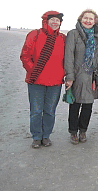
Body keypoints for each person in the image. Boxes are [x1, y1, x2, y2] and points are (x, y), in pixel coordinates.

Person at [20, 11, 65, 148]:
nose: (55, 22)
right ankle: (36, 136)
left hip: (55, 82)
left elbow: (68, 58)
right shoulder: (35, 34)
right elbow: (25, 56)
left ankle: (46, 136)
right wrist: (34, 71)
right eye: (52, 20)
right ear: (46, 21)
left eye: (58, 20)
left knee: (50, 111)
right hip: (36, 81)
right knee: (36, 111)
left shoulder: (63, 38)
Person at [64, 9, 98, 145]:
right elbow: (68, 56)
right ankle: (73, 131)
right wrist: (69, 76)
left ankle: (83, 130)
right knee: (75, 105)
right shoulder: (73, 34)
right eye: (85, 18)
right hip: (77, 75)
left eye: (91, 19)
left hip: (92, 75)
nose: (88, 21)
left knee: (88, 106)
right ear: (81, 19)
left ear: (95, 21)